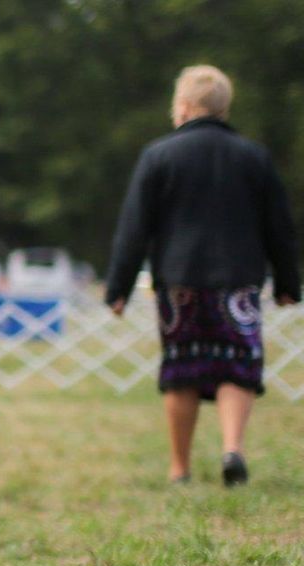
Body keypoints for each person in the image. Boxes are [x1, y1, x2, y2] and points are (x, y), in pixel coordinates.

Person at [104, 64, 299, 487]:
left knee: (182, 370)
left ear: (184, 106)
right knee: (237, 366)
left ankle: (180, 468)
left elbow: (134, 227)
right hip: (238, 282)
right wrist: (288, 282)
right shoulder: (254, 156)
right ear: (224, 107)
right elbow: (279, 227)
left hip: (180, 281)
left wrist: (119, 286)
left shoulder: (159, 155)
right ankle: (232, 449)